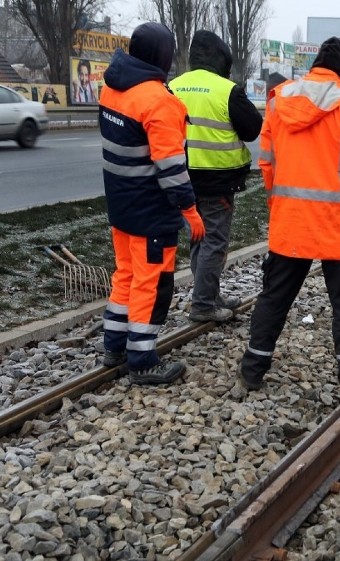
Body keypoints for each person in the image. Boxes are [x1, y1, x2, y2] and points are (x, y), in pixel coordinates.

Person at [239, 37, 340, 399]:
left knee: (274, 298)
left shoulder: (281, 102)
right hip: (338, 229)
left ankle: (251, 372)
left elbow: (267, 163)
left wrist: (281, 206)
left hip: (291, 223)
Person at [99, 22, 206, 385]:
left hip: (121, 206)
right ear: (163, 55)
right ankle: (142, 360)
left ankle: (113, 345)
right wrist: (190, 212)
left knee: (125, 274)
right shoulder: (159, 101)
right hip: (150, 212)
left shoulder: (113, 88)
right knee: (148, 282)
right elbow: (173, 170)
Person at [171, 30, 263, 323]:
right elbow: (252, 129)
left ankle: (208, 294)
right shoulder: (226, 90)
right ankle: (203, 305)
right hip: (216, 180)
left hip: (180, 179)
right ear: (220, 58)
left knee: (198, 239)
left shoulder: (172, 86)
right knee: (213, 242)